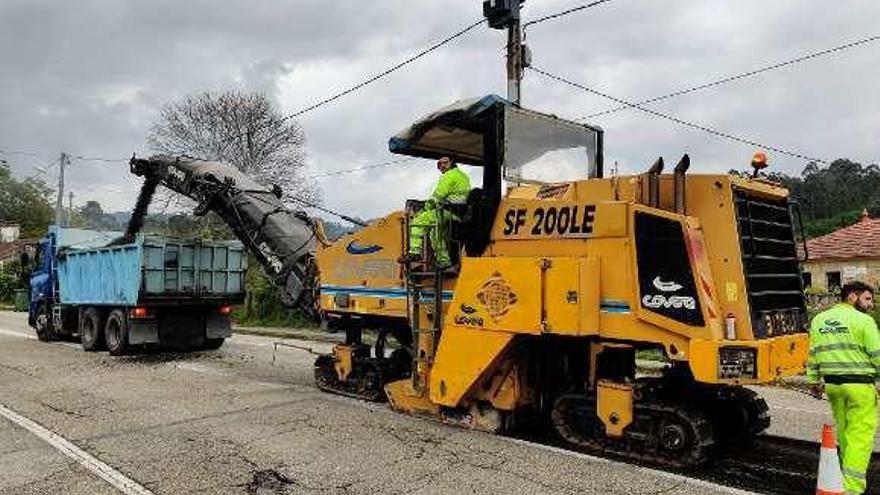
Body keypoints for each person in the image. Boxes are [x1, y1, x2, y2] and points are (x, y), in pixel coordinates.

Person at [807, 281, 880, 494]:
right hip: (859, 388)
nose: (870, 305)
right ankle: (852, 488)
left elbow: (814, 354)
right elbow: (877, 356)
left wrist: (813, 381)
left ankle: (843, 479)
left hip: (833, 387)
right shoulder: (863, 321)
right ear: (852, 297)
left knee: (846, 434)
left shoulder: (819, 320)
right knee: (860, 436)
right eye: (867, 299)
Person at [401, 156, 471, 268]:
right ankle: (444, 262)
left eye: (445, 163)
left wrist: (423, 209)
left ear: (452, 163)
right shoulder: (463, 176)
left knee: (418, 221)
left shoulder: (449, 176)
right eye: (439, 164)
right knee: (435, 234)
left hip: (448, 211)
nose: (442, 166)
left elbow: (437, 198)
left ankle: (415, 253)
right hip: (459, 214)